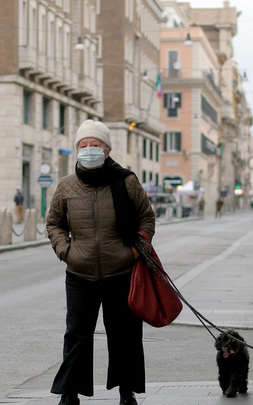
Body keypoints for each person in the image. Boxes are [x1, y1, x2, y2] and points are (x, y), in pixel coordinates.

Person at [46, 119, 155, 405]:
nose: (89, 149)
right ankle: (70, 393)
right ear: (77, 149)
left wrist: (134, 251)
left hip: (121, 272)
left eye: (95, 145)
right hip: (80, 274)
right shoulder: (66, 186)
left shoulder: (126, 181)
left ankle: (126, 391)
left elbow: (146, 218)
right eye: (84, 145)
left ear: (106, 150)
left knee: (125, 336)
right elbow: (54, 223)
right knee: (77, 337)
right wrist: (65, 251)